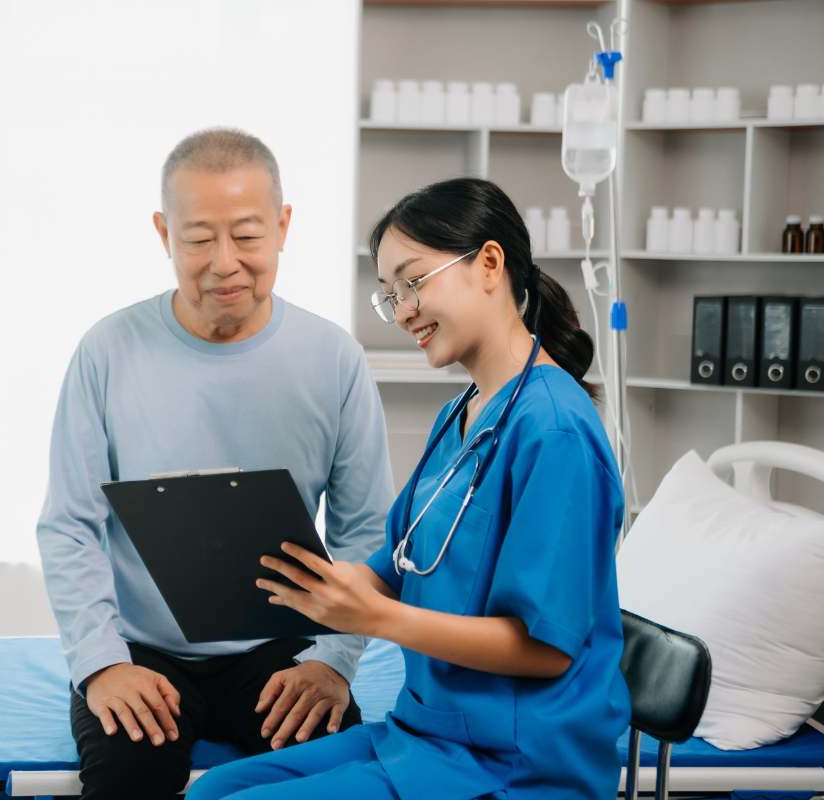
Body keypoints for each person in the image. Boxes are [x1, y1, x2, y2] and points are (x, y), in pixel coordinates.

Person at [188, 177, 631, 800]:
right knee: (212, 792)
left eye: (414, 282)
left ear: (489, 264)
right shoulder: (463, 413)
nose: (403, 311)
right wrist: (298, 583)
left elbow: (546, 650)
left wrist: (378, 618)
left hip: (514, 763)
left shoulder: (553, 432)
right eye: (390, 295)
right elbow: (394, 563)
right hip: (427, 733)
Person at [36, 127, 394, 800]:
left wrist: (334, 663)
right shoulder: (106, 352)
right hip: (141, 649)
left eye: (248, 236)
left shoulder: (334, 359)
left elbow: (367, 532)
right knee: (126, 783)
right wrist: (101, 663)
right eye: (199, 239)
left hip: (287, 651)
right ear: (163, 233)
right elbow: (68, 526)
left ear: (284, 226)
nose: (225, 262)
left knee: (343, 784)